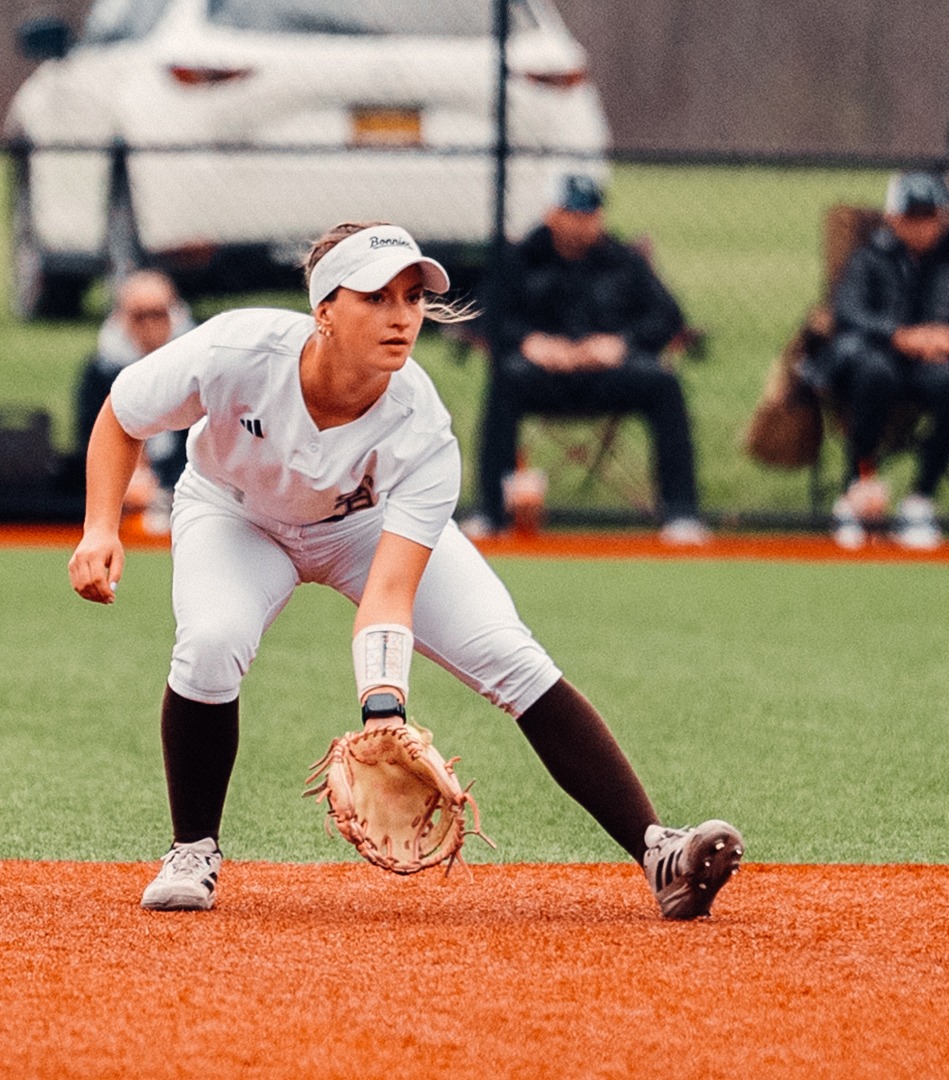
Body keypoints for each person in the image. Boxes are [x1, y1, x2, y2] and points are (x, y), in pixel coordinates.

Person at [68, 220, 743, 919]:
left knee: (509, 655)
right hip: (236, 516)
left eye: (414, 297)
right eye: (376, 297)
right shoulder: (236, 350)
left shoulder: (421, 421)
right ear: (324, 310)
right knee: (210, 641)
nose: (401, 317)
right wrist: (99, 529)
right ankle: (193, 852)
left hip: (366, 525)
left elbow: (390, 588)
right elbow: (122, 414)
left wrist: (382, 710)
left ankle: (659, 851)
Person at [464, 174, 708, 546]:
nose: (582, 222)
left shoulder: (624, 259)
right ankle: (491, 513)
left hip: (608, 375)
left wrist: (621, 344)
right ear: (552, 214)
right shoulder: (520, 259)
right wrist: (530, 342)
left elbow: (667, 317)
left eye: (590, 213)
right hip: (544, 376)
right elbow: (485, 316)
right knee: (504, 382)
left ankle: (681, 514)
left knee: (663, 384)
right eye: (573, 213)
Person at [804, 172, 949, 551]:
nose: (921, 226)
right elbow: (847, 309)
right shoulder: (869, 256)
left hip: (935, 363)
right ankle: (858, 487)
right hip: (879, 358)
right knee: (874, 374)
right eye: (911, 217)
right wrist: (898, 335)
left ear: (943, 218)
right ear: (893, 219)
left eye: (929, 216)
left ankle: (920, 501)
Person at [73, 270, 195, 529]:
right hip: (129, 489)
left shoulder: (196, 368)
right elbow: (90, 439)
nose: (150, 325)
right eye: (140, 316)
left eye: (158, 314)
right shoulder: (100, 372)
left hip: (188, 486)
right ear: (122, 318)